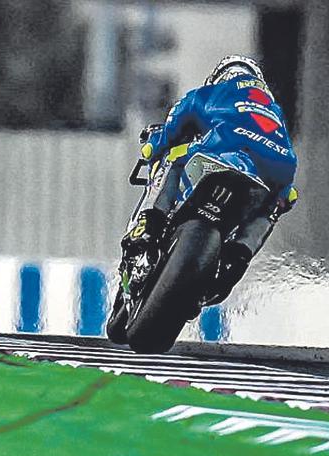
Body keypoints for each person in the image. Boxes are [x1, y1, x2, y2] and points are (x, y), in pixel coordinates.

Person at [122, 55, 299, 305]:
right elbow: (286, 171)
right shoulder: (273, 108)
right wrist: (283, 196)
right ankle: (238, 257)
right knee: (271, 207)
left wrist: (153, 146)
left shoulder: (211, 93)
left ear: (220, 75)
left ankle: (149, 225)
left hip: (224, 147)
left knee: (171, 158)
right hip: (278, 166)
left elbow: (171, 128)